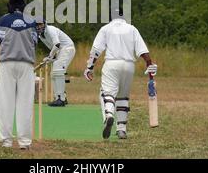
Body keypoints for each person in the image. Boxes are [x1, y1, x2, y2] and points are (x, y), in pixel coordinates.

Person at [83, 8, 158, 140]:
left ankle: (109, 115)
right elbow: (143, 51)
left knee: (107, 93)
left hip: (112, 64)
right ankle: (122, 129)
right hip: (129, 65)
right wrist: (149, 64)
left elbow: (96, 50)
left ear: (111, 16)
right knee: (123, 96)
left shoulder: (106, 28)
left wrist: (89, 67)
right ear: (125, 16)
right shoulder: (132, 29)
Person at [0, 0, 38, 150]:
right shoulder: (31, 21)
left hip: (7, 64)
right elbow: (34, 41)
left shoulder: (3, 20)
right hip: (26, 65)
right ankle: (24, 142)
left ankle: (6, 141)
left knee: (5, 102)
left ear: (10, 4)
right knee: (25, 104)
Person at [36, 18, 75, 107]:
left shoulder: (50, 29)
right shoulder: (41, 36)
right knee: (53, 74)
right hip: (61, 50)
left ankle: (60, 99)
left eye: (41, 24)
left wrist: (50, 56)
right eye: (37, 25)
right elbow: (53, 47)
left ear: (45, 24)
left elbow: (57, 44)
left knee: (58, 70)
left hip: (67, 48)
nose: (39, 27)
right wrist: (51, 58)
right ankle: (61, 98)